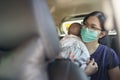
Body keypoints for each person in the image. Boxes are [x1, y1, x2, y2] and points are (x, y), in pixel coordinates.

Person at [80, 11, 120, 80]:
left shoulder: (108, 54)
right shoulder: (71, 49)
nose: (86, 29)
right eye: (85, 24)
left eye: (93, 27)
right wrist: (85, 73)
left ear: (102, 34)